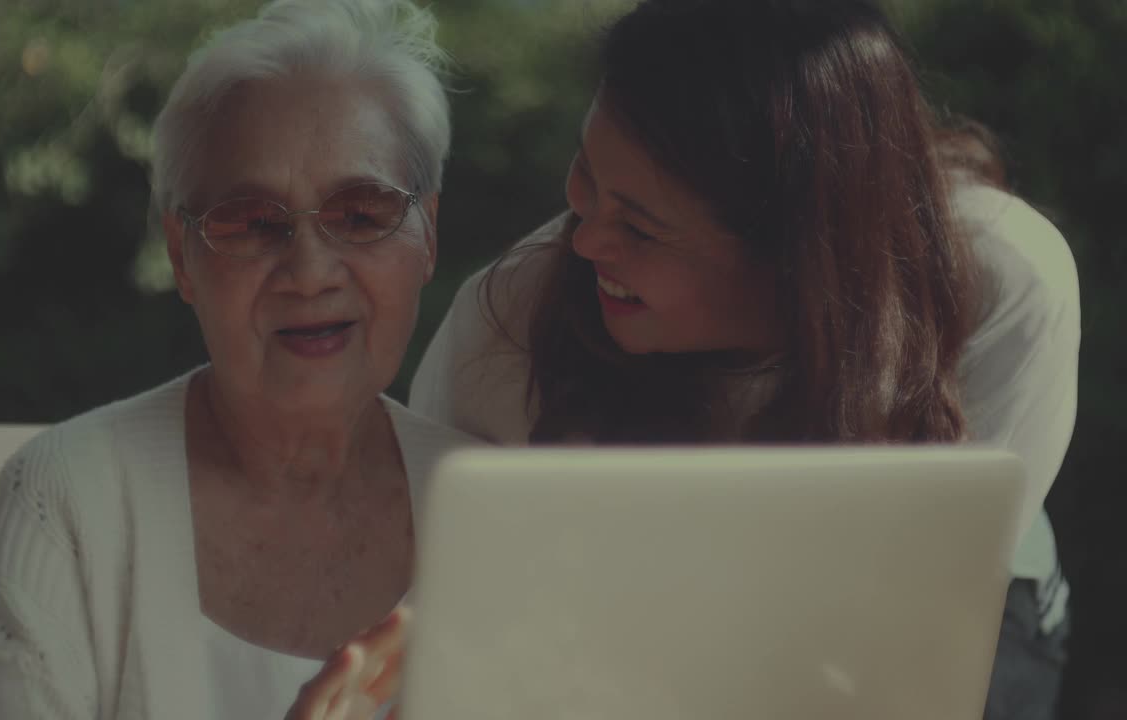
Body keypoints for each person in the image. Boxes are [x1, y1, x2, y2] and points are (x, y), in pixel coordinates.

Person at [293, 1, 1080, 719]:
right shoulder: (509, 326)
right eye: (586, 178)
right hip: (610, 613)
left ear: (796, 256)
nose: (587, 239)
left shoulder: (1000, 289)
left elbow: (903, 648)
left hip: (938, 611)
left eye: (640, 227)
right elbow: (435, 615)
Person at [0, 0, 472, 717]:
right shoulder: (62, 506)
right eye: (253, 224)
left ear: (428, 235)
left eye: (359, 215)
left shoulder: (496, 514)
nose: (311, 272)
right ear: (182, 258)